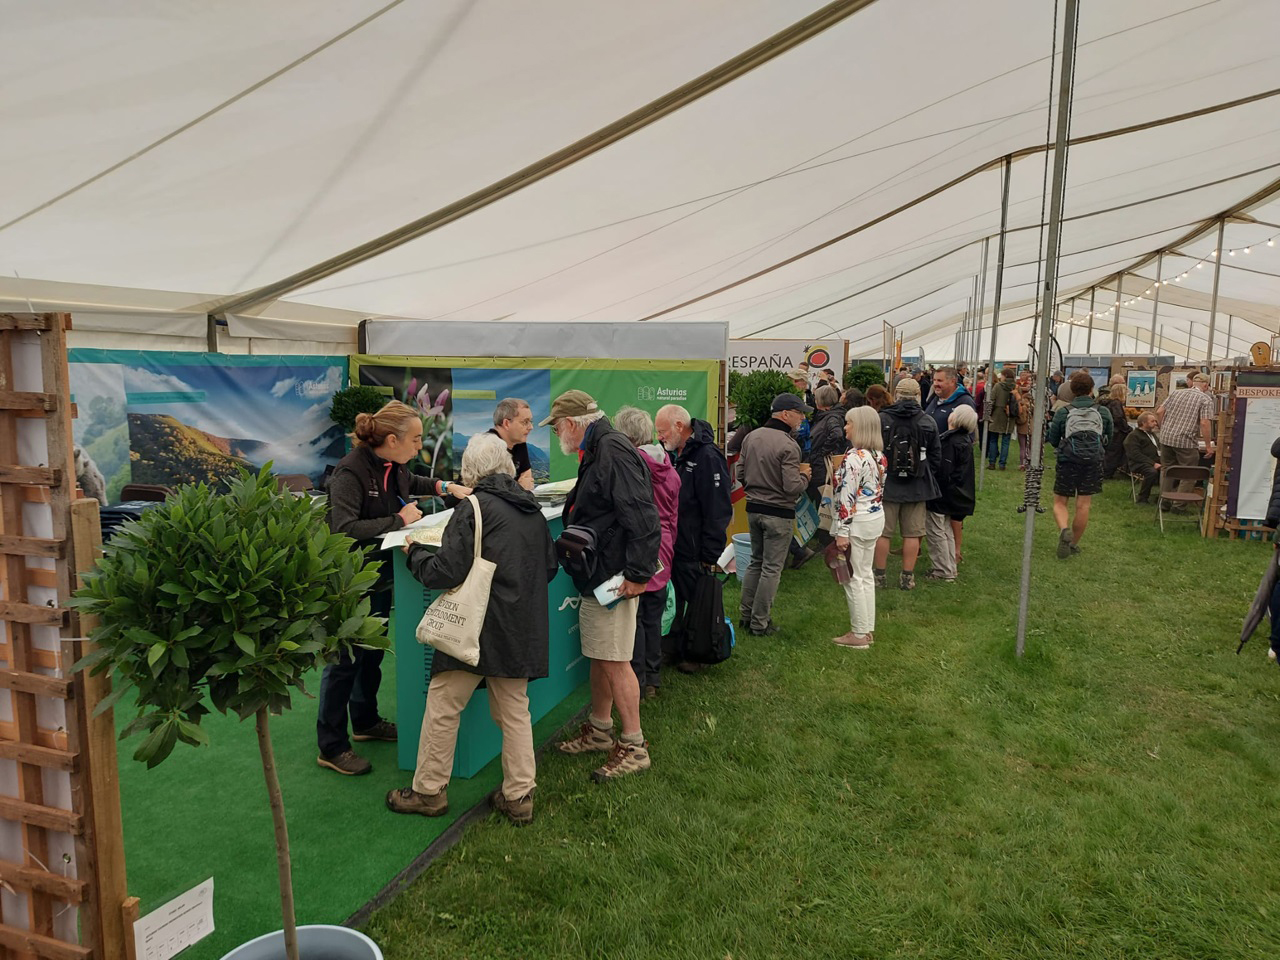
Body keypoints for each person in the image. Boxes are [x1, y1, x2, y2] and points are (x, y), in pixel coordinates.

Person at [386, 434, 557, 824]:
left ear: (470, 471)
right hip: (519, 627)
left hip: (474, 626)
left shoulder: (473, 508)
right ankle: (520, 795)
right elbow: (548, 568)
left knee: (444, 705)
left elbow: (445, 571)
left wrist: (415, 554)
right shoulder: (530, 508)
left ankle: (429, 791)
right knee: (514, 710)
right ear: (507, 466)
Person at [319, 400, 473, 776]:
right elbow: (343, 529)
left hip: (379, 574)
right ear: (392, 440)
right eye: (416, 439)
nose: (419, 446)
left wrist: (445, 486)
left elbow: (412, 481)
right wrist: (398, 520)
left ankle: (366, 721)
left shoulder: (394, 465)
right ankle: (331, 746)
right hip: (349, 580)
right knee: (345, 660)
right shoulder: (350, 471)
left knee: (371, 652)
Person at [547, 391, 661, 782]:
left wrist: (637, 575)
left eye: (557, 427)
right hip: (603, 573)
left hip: (615, 575)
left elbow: (643, 516)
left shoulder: (611, 450)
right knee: (602, 654)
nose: (558, 435)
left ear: (573, 422)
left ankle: (634, 746)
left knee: (614, 659)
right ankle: (599, 730)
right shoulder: (602, 447)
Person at [655, 403, 732, 672]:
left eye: (662, 431)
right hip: (674, 545)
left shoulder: (707, 456)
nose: (659, 437)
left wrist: (710, 551)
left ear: (679, 426)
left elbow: (717, 508)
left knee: (698, 598)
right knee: (673, 598)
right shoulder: (673, 453)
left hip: (695, 546)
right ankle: (672, 648)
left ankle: (701, 649)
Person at [615, 407, 680, 700]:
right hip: (663, 548)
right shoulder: (669, 466)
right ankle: (652, 677)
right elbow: (674, 516)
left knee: (636, 619)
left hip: (641, 546)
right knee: (653, 616)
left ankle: (637, 682)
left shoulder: (632, 468)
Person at [736, 393, 811, 635]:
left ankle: (746, 616)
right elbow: (792, 487)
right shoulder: (789, 445)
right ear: (785, 414)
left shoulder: (751, 437)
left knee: (756, 562)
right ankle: (760, 623)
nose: (802, 418)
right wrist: (805, 478)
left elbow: (739, 473)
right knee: (771, 568)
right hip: (779, 513)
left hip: (753, 508)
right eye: (799, 413)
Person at [873, 377, 941, 591]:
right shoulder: (927, 421)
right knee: (912, 533)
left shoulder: (882, 418)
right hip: (917, 485)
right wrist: (923, 472)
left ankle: (879, 576)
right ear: (918, 396)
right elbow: (936, 456)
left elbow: (873, 451)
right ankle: (907, 577)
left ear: (896, 394)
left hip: (887, 484)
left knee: (883, 533)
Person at [830, 406, 886, 650]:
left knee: (852, 578)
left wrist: (842, 532)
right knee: (865, 575)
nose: (845, 427)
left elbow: (847, 497)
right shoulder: (878, 455)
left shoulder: (854, 458)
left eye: (849, 423)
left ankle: (859, 633)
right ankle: (866, 629)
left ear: (860, 426)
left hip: (856, 522)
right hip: (874, 518)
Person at [1047, 371, 1112, 558]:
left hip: (1068, 459)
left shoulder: (1063, 412)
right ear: (1092, 389)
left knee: (1060, 501)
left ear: (1072, 390)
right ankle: (1073, 543)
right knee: (1083, 505)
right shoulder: (1103, 412)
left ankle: (1064, 529)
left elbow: (1053, 439)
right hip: (1092, 461)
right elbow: (1109, 437)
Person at [925, 405, 977, 582]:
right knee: (946, 530)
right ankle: (949, 567)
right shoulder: (964, 441)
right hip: (956, 493)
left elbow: (943, 470)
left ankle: (942, 569)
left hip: (943, 493)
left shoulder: (950, 442)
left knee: (936, 530)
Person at [799, 384, 849, 561]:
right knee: (819, 501)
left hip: (822, 468)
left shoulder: (831, 418)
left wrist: (822, 452)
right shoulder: (827, 416)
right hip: (819, 466)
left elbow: (837, 435)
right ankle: (819, 535)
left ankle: (826, 540)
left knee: (823, 502)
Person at [1155, 372, 1216, 511]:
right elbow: (1205, 423)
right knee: (1188, 473)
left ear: (1193, 383)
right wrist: (1208, 446)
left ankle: (1164, 502)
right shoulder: (1205, 399)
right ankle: (1179, 505)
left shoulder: (1176, 393)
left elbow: (1159, 411)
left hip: (1166, 438)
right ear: (1205, 385)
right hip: (1186, 441)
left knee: (1167, 470)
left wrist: (1163, 428)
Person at [489, 397, 536, 491]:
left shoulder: (519, 442)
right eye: (525, 422)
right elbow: (489, 490)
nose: (531, 427)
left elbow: (527, 479)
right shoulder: (486, 447)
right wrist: (518, 487)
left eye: (530, 422)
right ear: (506, 423)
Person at [923, 366, 976, 434]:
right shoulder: (935, 397)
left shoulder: (965, 401)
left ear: (952, 381)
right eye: (934, 380)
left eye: (939, 380)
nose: (935, 384)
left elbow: (969, 434)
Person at [1124, 412, 1162, 503]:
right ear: (1143, 423)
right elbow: (1135, 454)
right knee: (1151, 472)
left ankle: (1163, 497)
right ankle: (1143, 497)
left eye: (1155, 421)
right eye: (1152, 421)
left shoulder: (1152, 434)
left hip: (1155, 461)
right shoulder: (1133, 436)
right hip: (1139, 463)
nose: (1155, 423)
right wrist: (1153, 463)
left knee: (1173, 470)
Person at [985, 366, 1017, 470]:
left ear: (1005, 376)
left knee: (993, 440)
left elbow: (991, 400)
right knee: (1005, 441)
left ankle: (992, 462)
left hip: (997, 415)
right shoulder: (1016, 387)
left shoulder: (998, 386)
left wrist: (987, 414)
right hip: (1009, 416)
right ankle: (1002, 464)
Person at [1102, 382, 1131, 479]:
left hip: (1112, 431)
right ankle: (1107, 473)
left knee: (1110, 453)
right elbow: (1118, 418)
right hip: (1117, 433)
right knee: (1113, 454)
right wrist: (1127, 429)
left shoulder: (1109, 403)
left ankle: (1106, 472)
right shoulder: (1116, 403)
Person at [1014, 374, 1034, 470]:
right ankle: (1029, 463)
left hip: (1021, 428)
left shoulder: (1021, 406)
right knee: (1029, 447)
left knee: (1022, 447)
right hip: (1031, 429)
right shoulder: (1033, 407)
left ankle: (1022, 463)